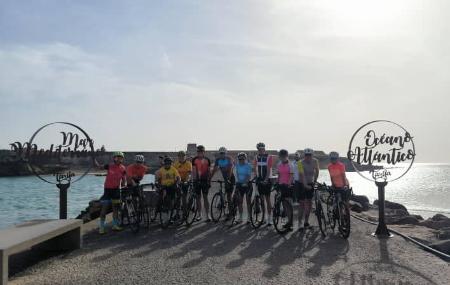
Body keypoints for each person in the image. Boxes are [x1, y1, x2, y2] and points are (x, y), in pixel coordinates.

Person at [95, 151, 127, 235]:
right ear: (114, 158)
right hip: (107, 190)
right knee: (104, 209)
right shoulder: (109, 166)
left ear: (122, 159)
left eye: (120, 158)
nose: (119, 159)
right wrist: (94, 161)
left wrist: (124, 185)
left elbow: (124, 180)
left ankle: (115, 225)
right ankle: (101, 227)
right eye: (117, 157)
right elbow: (99, 167)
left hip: (116, 190)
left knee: (115, 209)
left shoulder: (123, 168)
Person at [298, 148, 320, 230]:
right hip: (302, 184)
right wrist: (305, 185)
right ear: (304, 155)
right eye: (306, 155)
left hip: (310, 183)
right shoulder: (300, 163)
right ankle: (299, 223)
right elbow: (302, 175)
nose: (308, 157)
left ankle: (306, 222)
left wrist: (315, 180)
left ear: (312, 155)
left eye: (309, 155)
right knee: (302, 205)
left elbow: (317, 171)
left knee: (310, 204)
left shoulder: (315, 161)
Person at [253, 142, 274, 226]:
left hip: (267, 180)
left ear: (264, 149)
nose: (261, 150)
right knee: (262, 200)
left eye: (262, 149)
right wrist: (256, 177)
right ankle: (264, 217)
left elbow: (269, 169)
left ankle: (270, 218)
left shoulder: (269, 157)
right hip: (259, 180)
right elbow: (254, 168)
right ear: (258, 150)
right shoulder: (256, 157)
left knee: (268, 199)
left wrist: (266, 179)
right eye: (259, 149)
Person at [211, 147, 235, 217]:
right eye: (220, 153)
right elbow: (214, 170)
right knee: (222, 191)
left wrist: (228, 179)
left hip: (231, 178)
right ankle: (222, 202)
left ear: (225, 153)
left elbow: (230, 170)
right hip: (224, 178)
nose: (222, 155)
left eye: (223, 153)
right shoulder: (218, 160)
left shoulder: (229, 159)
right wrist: (209, 178)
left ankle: (230, 213)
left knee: (229, 196)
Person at [192, 145, 212, 222]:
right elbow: (193, 171)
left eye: (201, 151)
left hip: (204, 180)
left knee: (205, 198)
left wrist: (209, 181)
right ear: (197, 152)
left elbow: (209, 172)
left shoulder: (207, 160)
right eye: (198, 151)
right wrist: (194, 180)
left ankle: (207, 215)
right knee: (198, 198)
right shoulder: (194, 159)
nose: (200, 153)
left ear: (204, 152)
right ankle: (199, 214)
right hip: (197, 181)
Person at [276, 149, 294, 231]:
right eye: (281, 156)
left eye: (284, 156)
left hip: (288, 186)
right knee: (284, 205)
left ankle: (290, 222)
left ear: (287, 156)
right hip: (281, 185)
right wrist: (277, 183)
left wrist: (288, 184)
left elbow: (291, 176)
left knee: (289, 205)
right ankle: (288, 222)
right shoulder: (279, 164)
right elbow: (279, 175)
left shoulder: (290, 165)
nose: (282, 158)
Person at [234, 152, 252, 224]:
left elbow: (248, 176)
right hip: (240, 184)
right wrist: (238, 182)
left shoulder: (248, 166)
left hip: (247, 185)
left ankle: (249, 217)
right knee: (239, 202)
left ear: (245, 159)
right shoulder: (237, 165)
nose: (241, 160)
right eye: (240, 159)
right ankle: (240, 217)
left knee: (248, 202)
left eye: (243, 159)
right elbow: (237, 174)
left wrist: (245, 182)